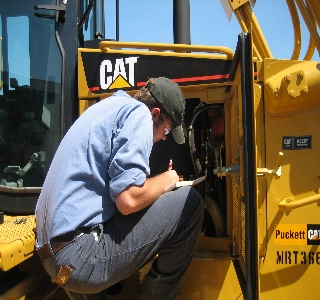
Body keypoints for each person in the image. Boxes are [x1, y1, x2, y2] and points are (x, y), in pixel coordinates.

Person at [35, 77, 204, 300]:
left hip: (52, 253)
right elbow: (129, 200)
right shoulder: (139, 115)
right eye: (166, 131)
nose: (163, 139)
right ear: (155, 114)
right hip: (78, 255)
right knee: (190, 203)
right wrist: (167, 180)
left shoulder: (107, 107)